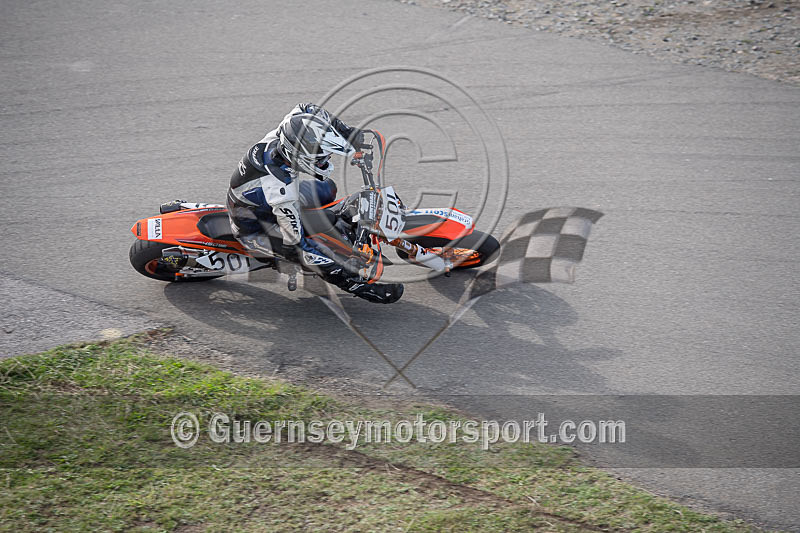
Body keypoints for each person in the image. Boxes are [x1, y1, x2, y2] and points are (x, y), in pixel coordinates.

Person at [226, 103, 404, 304]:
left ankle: (333, 232)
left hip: (260, 199)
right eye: (321, 159)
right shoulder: (282, 190)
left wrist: (347, 132)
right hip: (256, 228)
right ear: (300, 157)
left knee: (328, 188)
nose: (326, 161)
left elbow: (307, 108)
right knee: (309, 252)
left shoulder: (284, 133)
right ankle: (357, 284)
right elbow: (297, 246)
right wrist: (358, 284)